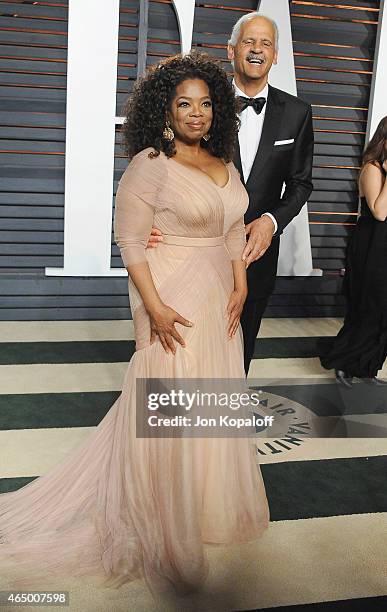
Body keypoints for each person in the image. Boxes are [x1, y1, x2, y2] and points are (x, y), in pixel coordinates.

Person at [0, 52, 269, 599]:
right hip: (172, 295)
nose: (197, 113)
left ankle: (205, 509)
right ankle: (166, 526)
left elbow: (234, 227)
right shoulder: (151, 163)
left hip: (222, 295)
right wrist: (155, 307)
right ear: (165, 110)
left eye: (206, 103)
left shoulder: (224, 161)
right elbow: (131, 244)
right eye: (184, 103)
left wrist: (241, 282)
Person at [148, 13, 314, 374]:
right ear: (231, 49)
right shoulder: (201, 103)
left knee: (241, 342)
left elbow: (301, 183)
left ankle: (223, 419)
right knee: (185, 341)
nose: (257, 50)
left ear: (276, 55)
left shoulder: (298, 113)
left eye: (266, 43)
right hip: (195, 246)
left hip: (256, 255)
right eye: (249, 42)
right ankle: (184, 420)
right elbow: (164, 166)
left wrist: (271, 222)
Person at [320, 117, 387, 386]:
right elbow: (380, 212)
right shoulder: (371, 169)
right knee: (369, 307)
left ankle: (367, 367)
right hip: (372, 249)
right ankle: (344, 363)